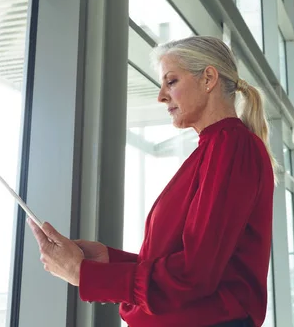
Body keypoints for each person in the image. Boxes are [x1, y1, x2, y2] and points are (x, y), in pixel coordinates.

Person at [28, 36, 276, 327]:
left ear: (208, 78)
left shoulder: (230, 147)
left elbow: (194, 275)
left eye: (171, 82)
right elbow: (191, 262)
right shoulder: (214, 150)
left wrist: (84, 274)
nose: (160, 96)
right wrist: (110, 260)